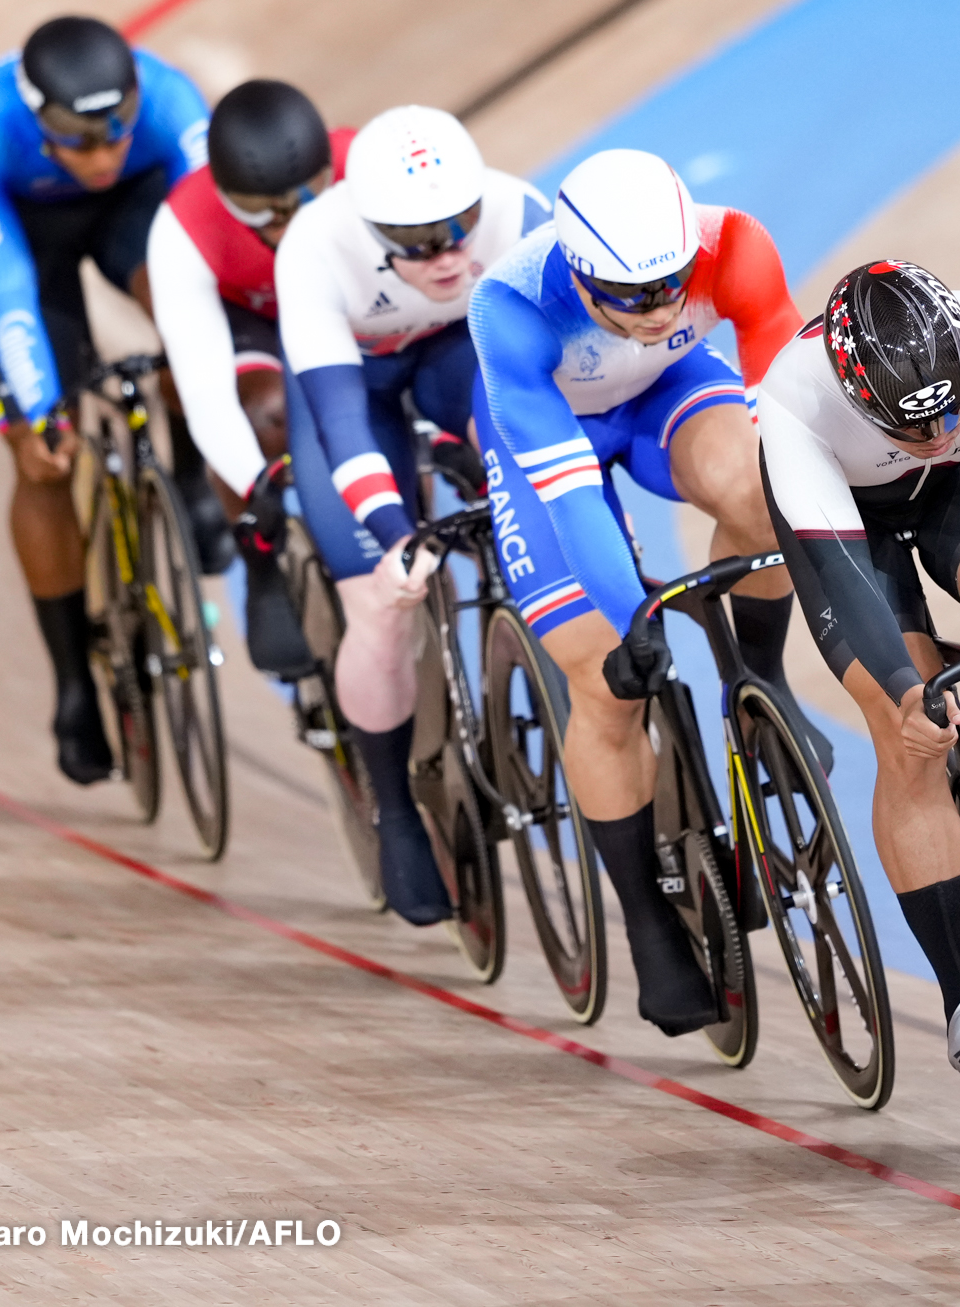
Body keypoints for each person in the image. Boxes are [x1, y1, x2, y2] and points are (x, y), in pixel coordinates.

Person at [468, 148, 813, 1037]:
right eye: (632, 296)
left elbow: (790, 407)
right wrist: (633, 624)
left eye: (672, 285)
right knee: (603, 677)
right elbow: (574, 493)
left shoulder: (733, 244)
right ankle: (646, 918)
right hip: (552, 440)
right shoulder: (510, 310)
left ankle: (763, 680)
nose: (661, 307)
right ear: (579, 275)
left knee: (765, 495)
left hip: (668, 395)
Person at [757, 260, 960, 1080]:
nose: (936, 431)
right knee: (909, 727)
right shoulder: (794, 402)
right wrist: (910, 695)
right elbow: (841, 577)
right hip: (849, 525)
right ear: (857, 394)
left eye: (949, 408)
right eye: (911, 426)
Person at [276, 104, 549, 926]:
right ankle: (393, 803)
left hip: (451, 356)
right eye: (421, 242)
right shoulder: (315, 248)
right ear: (372, 230)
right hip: (351, 387)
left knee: (520, 440)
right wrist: (396, 536)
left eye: (460, 227)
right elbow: (341, 424)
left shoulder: (520, 213)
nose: (451, 255)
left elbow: (558, 385)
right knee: (379, 601)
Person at [0, 15, 209, 784]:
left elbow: (207, 256)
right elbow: (4, 281)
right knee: (39, 463)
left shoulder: (174, 102)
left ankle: (193, 475)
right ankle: (71, 685)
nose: (98, 156)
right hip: (30, 239)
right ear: (37, 121)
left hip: (141, 212)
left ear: (136, 104)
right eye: (77, 141)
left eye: (115, 134)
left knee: (192, 317)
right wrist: (36, 408)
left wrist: (199, 355)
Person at [148, 78, 353, 677]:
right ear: (232, 203)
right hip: (254, 319)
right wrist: (256, 492)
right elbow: (207, 394)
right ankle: (263, 565)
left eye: (306, 200)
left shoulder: (363, 166)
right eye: (268, 215)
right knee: (262, 411)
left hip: (352, 307)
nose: (291, 225)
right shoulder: (184, 226)